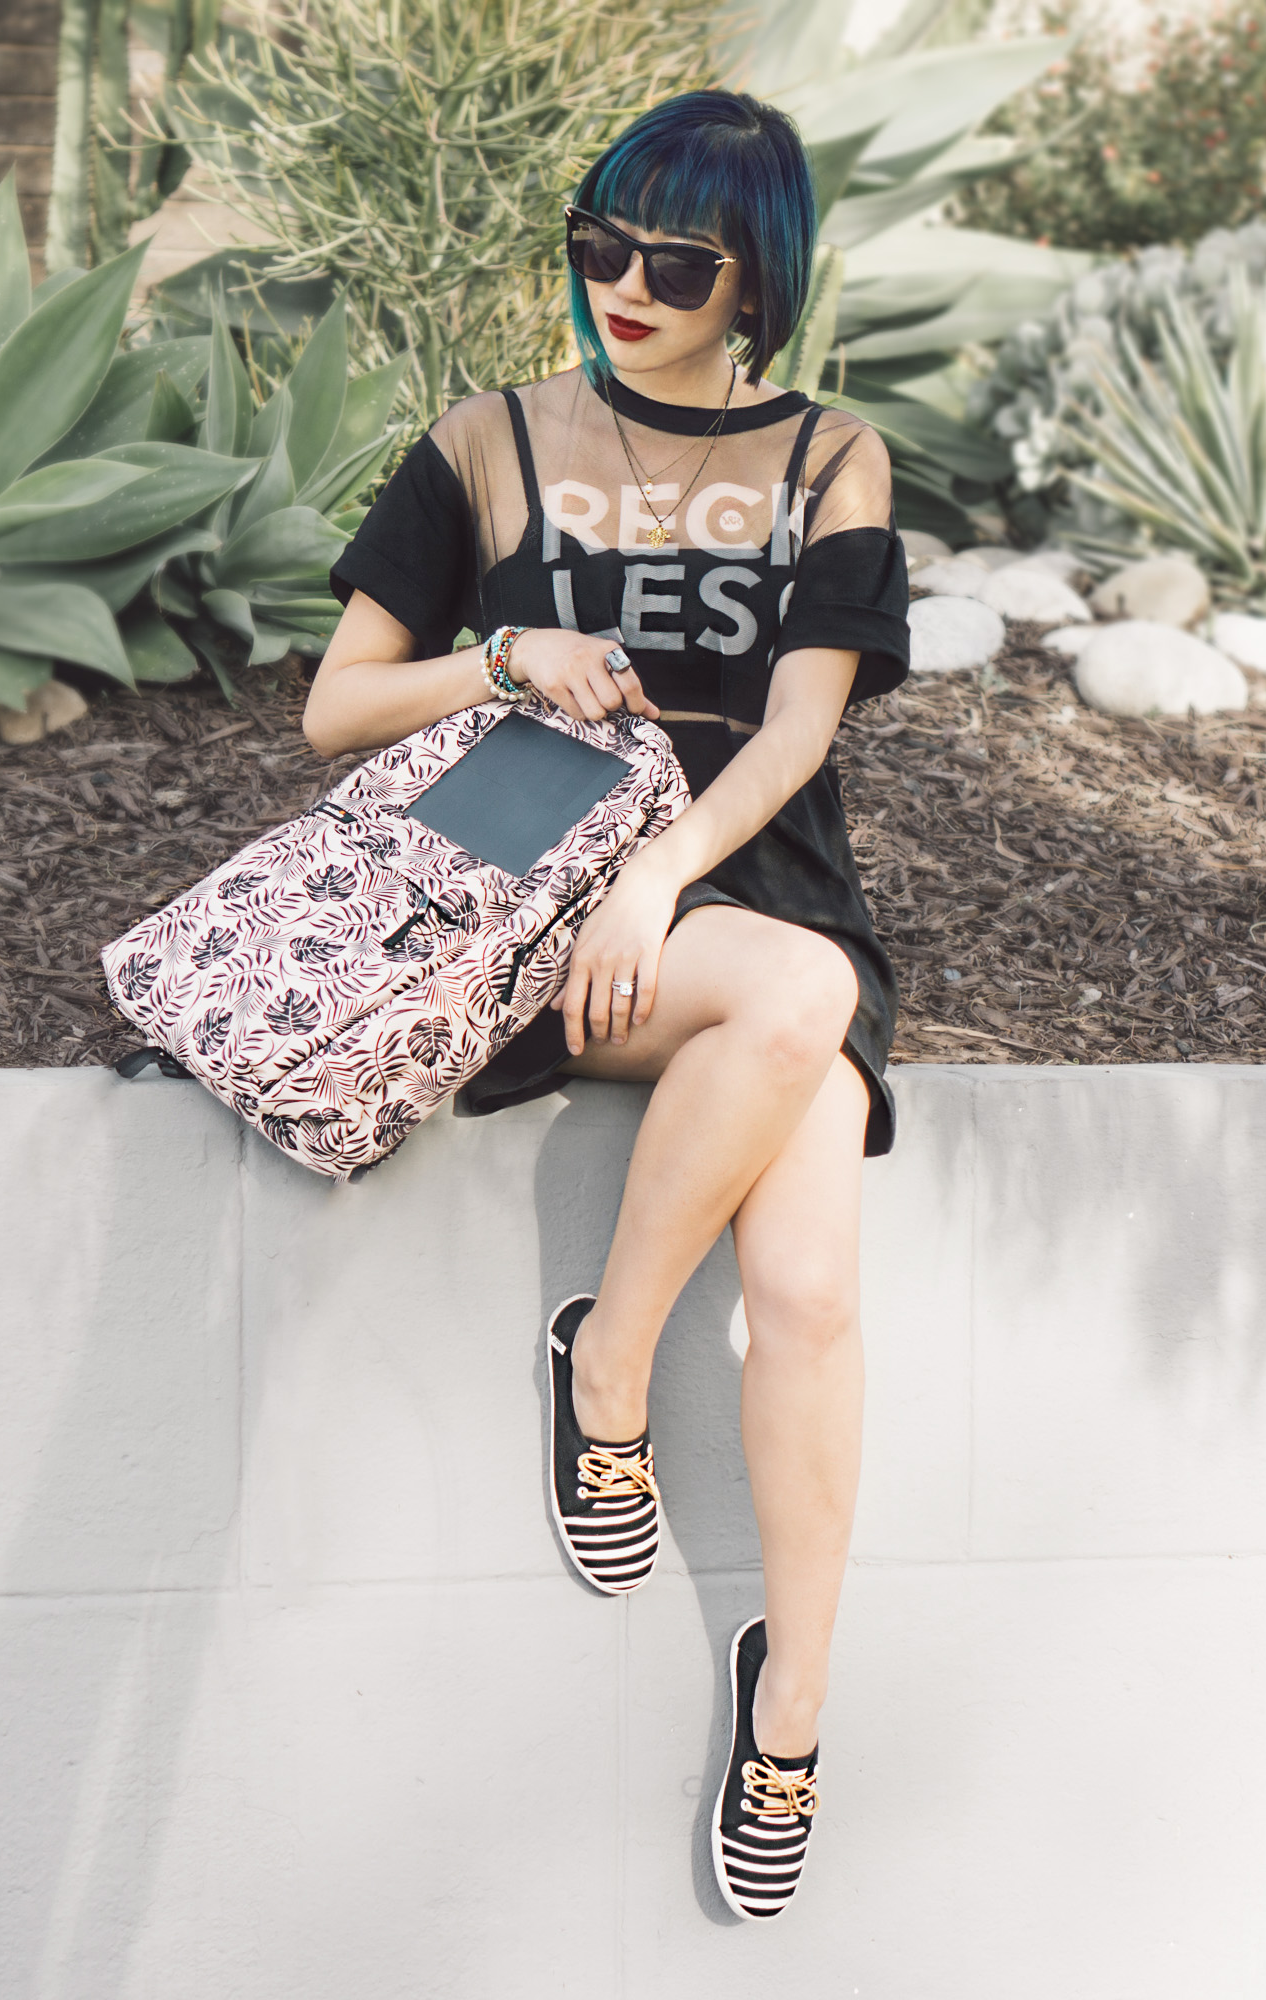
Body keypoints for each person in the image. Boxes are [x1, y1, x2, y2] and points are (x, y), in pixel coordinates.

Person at [306, 87, 910, 1922]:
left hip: (743, 889)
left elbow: (802, 722)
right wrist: (501, 654)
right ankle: (616, 1360)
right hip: (533, 898)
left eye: (673, 260)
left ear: (758, 278)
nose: (623, 287)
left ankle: (789, 1706)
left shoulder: (830, 458)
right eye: (598, 246)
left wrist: (675, 869)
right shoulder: (488, 439)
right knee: (794, 993)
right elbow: (335, 709)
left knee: (809, 1290)